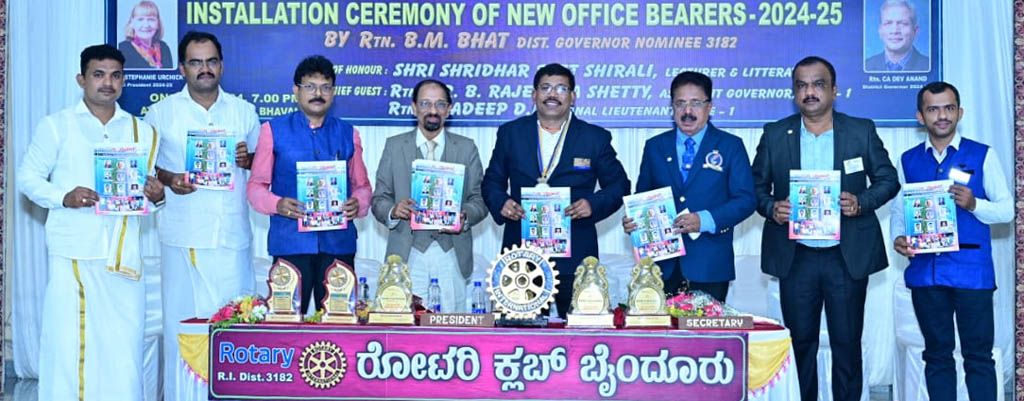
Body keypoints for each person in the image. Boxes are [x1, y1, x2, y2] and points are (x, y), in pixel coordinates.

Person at [17, 44, 165, 400]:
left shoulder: (142, 131)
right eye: (98, 75)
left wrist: (157, 197)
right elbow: (27, 178)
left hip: (124, 258)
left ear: (124, 81)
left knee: (123, 348)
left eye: (115, 75)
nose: (107, 83)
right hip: (75, 252)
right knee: (71, 346)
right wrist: (63, 197)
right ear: (81, 79)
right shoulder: (57, 126)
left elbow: (143, 198)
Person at [751, 56, 900, 401]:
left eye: (818, 84)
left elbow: (888, 179)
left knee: (847, 343)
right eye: (801, 85)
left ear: (834, 90)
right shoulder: (775, 134)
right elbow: (754, 187)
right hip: (796, 257)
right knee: (800, 343)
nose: (810, 92)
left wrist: (861, 202)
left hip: (845, 256)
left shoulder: (860, 130)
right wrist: (773, 208)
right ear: (794, 93)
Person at [145, 30, 259, 401]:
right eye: (195, 62)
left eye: (211, 61)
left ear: (221, 66)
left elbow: (263, 168)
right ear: (182, 68)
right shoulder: (161, 113)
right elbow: (145, 168)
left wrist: (248, 160)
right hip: (183, 238)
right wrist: (170, 178)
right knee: (182, 328)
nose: (204, 68)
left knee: (234, 326)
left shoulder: (243, 111)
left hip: (232, 238)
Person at [890, 82, 1012, 401]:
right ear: (920, 116)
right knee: (937, 356)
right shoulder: (908, 160)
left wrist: (974, 204)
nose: (941, 115)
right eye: (933, 109)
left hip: (972, 273)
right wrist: (899, 238)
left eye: (948, 108)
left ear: (960, 112)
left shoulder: (983, 154)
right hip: (926, 272)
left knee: (978, 357)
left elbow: (1007, 210)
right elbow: (899, 210)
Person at [482, 63, 630, 318]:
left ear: (573, 96)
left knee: (579, 329)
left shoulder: (594, 137)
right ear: (534, 94)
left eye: (561, 88)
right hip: (522, 255)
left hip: (576, 251)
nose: (552, 94)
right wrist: (501, 202)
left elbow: (619, 185)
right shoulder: (511, 133)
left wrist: (592, 204)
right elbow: (491, 182)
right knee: (519, 331)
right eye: (545, 88)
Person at [249, 55, 372, 313]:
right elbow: (255, 187)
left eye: (325, 87)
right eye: (310, 86)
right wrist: (277, 204)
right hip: (290, 244)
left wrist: (358, 203)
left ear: (333, 92)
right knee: (287, 322)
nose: (318, 94)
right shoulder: (272, 130)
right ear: (296, 91)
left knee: (339, 322)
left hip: (338, 245)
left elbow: (362, 186)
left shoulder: (349, 133)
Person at [623, 71, 755, 301]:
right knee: (660, 326)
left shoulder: (730, 146)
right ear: (672, 107)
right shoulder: (655, 146)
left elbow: (746, 200)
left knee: (706, 326)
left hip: (710, 264)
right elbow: (643, 197)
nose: (687, 111)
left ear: (709, 106)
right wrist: (634, 220)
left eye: (695, 103)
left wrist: (704, 220)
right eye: (680, 103)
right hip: (660, 266)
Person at [371, 79, 488, 313]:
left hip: (451, 252)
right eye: (425, 104)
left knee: (451, 322)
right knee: (405, 323)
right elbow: (379, 199)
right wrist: (394, 210)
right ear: (414, 108)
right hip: (407, 253)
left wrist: (465, 216)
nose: (432, 110)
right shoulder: (394, 146)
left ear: (449, 109)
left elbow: (480, 199)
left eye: (440, 104)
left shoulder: (467, 148)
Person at [865, 0, 929, 72]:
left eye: (903, 23)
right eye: (888, 23)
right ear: (880, 31)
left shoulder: (929, 65)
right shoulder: (867, 65)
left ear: (915, 31)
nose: (894, 31)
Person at [118, 0, 173, 68]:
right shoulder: (121, 49)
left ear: (158, 23)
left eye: (151, 19)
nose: (146, 25)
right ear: (132, 23)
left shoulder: (164, 48)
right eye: (140, 19)